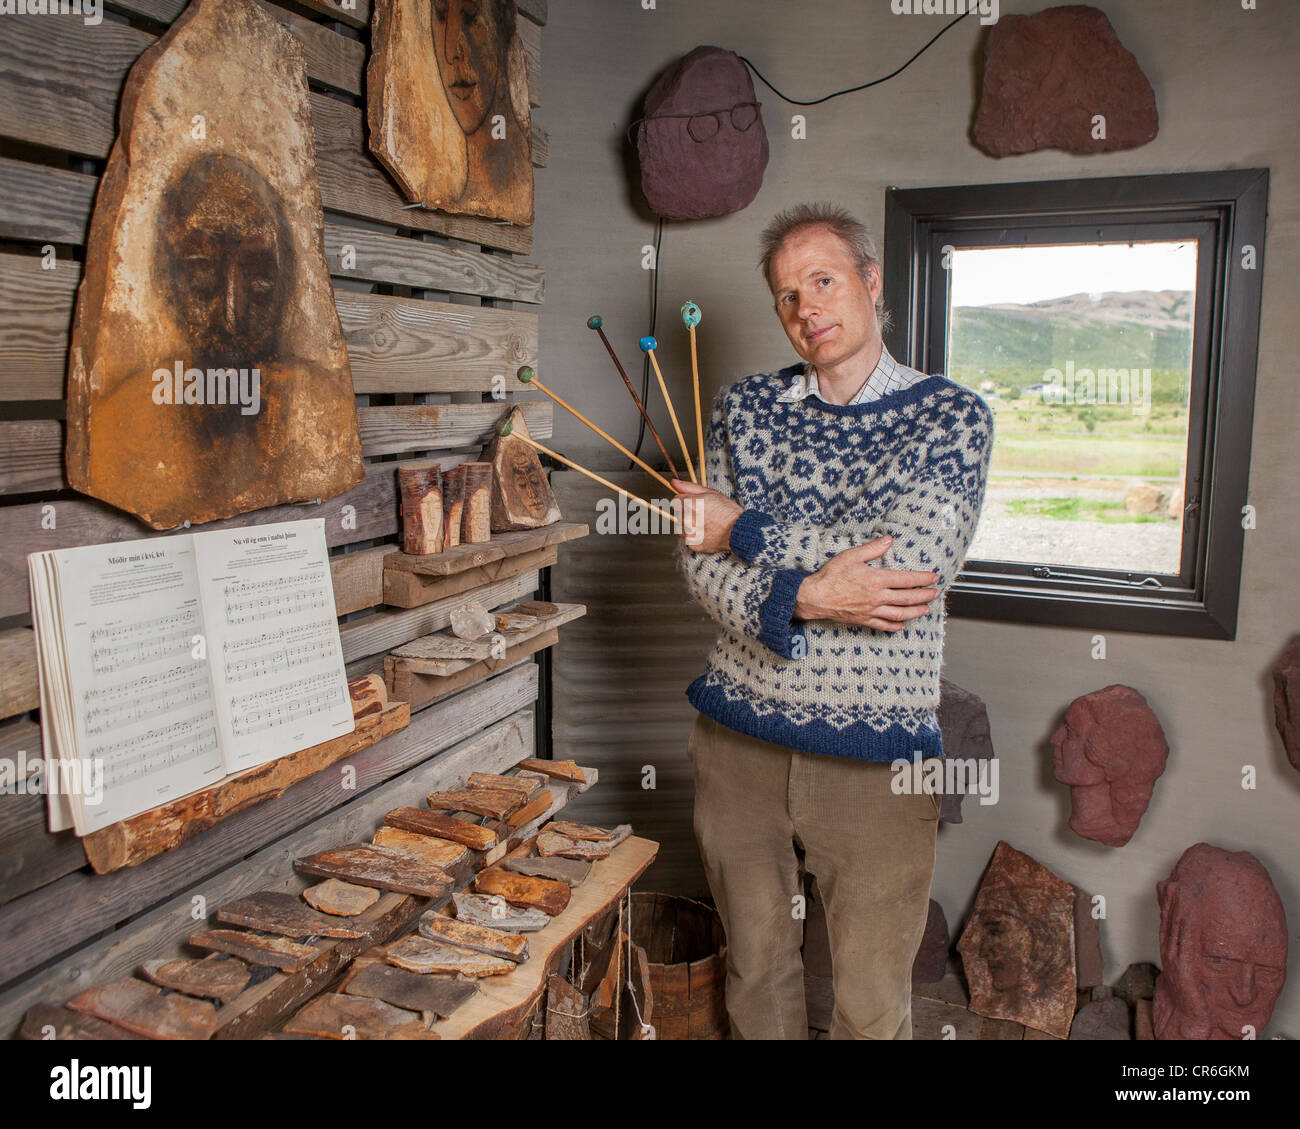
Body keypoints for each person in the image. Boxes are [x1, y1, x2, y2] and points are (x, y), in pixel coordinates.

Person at [673, 202, 994, 1039]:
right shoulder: (744, 408)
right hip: (738, 741)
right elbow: (695, 560)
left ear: (870, 281)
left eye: (823, 279)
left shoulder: (953, 418)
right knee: (755, 976)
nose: (807, 307)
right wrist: (809, 594)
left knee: (869, 1002)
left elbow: (904, 572)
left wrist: (746, 529)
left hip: (878, 760)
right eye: (787, 295)